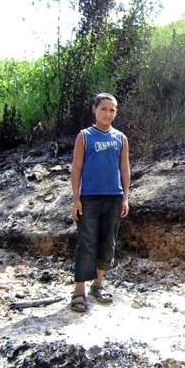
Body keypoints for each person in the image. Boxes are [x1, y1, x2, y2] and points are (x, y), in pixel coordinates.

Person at [69, 93, 130, 312]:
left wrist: (125, 197)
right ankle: (79, 290)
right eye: (103, 109)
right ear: (95, 110)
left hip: (114, 197)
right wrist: (76, 199)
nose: (108, 114)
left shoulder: (120, 138)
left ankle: (98, 285)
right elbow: (76, 169)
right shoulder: (85, 136)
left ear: (116, 113)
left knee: (108, 242)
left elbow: (124, 169)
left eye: (112, 110)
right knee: (87, 243)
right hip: (89, 199)